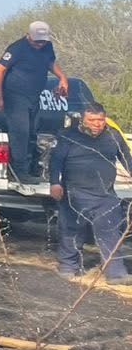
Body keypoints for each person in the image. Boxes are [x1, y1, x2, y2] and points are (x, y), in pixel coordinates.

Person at [49, 102, 132, 284]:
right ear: (82, 119)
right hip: (74, 193)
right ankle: (68, 267)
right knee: (71, 231)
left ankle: (116, 274)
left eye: (100, 120)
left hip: (105, 195)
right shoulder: (68, 135)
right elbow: (55, 161)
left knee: (110, 232)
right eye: (92, 120)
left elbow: (127, 159)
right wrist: (55, 183)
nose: (96, 124)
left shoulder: (113, 136)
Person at [0, 20, 68, 184]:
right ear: (29, 36)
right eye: (36, 41)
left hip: (34, 96)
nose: (40, 44)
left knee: (32, 133)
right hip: (15, 96)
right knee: (21, 133)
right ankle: (18, 171)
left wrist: (62, 77)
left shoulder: (47, 47)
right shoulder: (17, 48)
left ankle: (31, 168)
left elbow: (50, 62)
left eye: (42, 41)